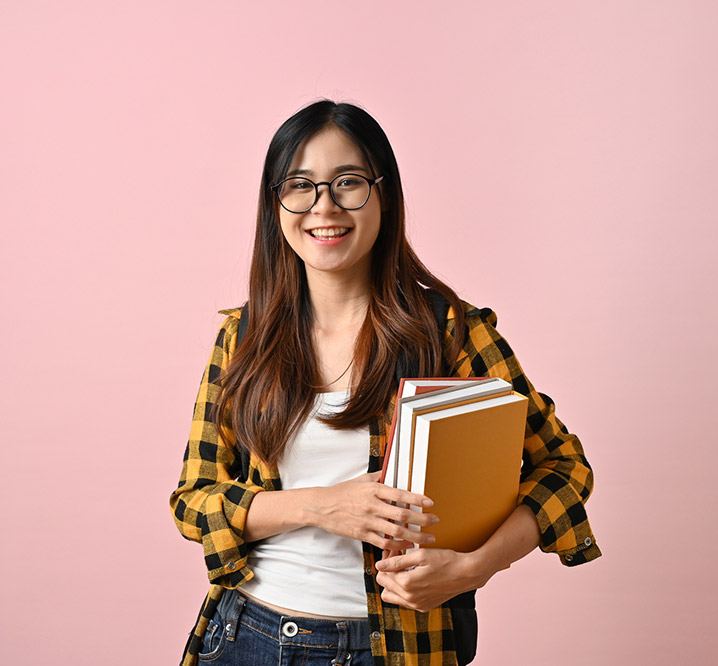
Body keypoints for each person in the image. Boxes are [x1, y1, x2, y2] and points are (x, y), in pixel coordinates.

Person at [169, 99, 601, 666]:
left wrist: (475, 567)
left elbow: (564, 469)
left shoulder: (450, 333)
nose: (324, 207)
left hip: (398, 647)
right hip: (248, 634)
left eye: (348, 183)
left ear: (385, 193)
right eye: (300, 185)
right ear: (276, 205)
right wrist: (321, 507)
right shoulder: (243, 338)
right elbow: (194, 502)